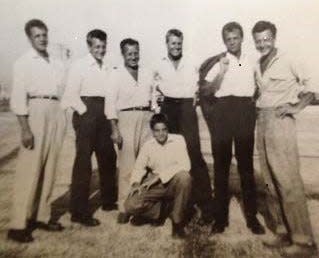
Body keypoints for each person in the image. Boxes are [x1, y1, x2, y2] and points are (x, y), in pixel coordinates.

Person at [252, 20, 318, 256]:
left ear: (274, 37)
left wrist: (295, 107)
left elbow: (312, 87)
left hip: (281, 121)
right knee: (270, 181)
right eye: (258, 40)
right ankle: (283, 231)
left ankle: (304, 242)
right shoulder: (258, 63)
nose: (262, 44)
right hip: (262, 120)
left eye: (266, 39)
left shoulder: (289, 58)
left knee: (288, 180)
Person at [201, 22, 265, 235]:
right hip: (223, 112)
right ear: (224, 41)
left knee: (246, 167)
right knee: (221, 167)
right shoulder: (219, 61)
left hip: (244, 112)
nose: (232, 42)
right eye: (228, 39)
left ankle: (252, 218)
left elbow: (260, 87)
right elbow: (207, 91)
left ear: (242, 38)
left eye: (235, 38)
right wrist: (221, 72)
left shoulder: (252, 61)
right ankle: (220, 219)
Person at [8, 19, 66, 243]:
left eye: (44, 34)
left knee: (50, 167)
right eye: (37, 36)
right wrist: (25, 129)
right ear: (29, 38)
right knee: (29, 169)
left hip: (55, 110)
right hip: (36, 111)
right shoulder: (23, 62)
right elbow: (18, 98)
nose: (42, 39)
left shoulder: (55, 62)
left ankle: (41, 216)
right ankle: (18, 224)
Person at [154, 29, 214, 223]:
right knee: (168, 154)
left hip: (187, 107)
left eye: (179, 43)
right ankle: (169, 205)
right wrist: (157, 105)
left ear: (182, 43)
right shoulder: (158, 64)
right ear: (167, 44)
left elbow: (204, 79)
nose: (176, 46)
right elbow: (151, 88)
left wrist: (198, 97)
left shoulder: (193, 61)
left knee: (193, 153)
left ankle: (205, 205)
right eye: (172, 43)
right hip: (168, 108)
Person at [61, 29, 117, 227]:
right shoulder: (79, 65)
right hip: (86, 113)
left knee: (108, 157)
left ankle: (109, 201)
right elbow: (70, 94)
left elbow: (110, 94)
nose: (100, 50)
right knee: (84, 162)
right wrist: (86, 112)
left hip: (104, 112)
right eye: (97, 47)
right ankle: (79, 211)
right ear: (89, 46)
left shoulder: (108, 67)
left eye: (103, 46)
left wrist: (108, 117)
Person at [105, 38, 154, 224]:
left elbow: (154, 95)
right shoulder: (115, 74)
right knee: (127, 165)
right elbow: (109, 104)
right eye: (129, 53)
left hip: (146, 118)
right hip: (125, 118)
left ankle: (141, 207)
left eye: (136, 52)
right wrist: (114, 129)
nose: (133, 57)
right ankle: (124, 207)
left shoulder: (147, 73)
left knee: (145, 165)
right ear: (123, 54)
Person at [124, 113, 192, 239]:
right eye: (157, 130)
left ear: (168, 129)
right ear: (152, 132)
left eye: (164, 130)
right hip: (155, 185)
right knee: (130, 205)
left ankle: (177, 224)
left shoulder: (178, 140)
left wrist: (160, 176)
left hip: (173, 182)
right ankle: (160, 212)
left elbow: (185, 165)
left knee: (185, 178)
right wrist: (135, 183)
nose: (161, 134)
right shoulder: (147, 145)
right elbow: (139, 167)